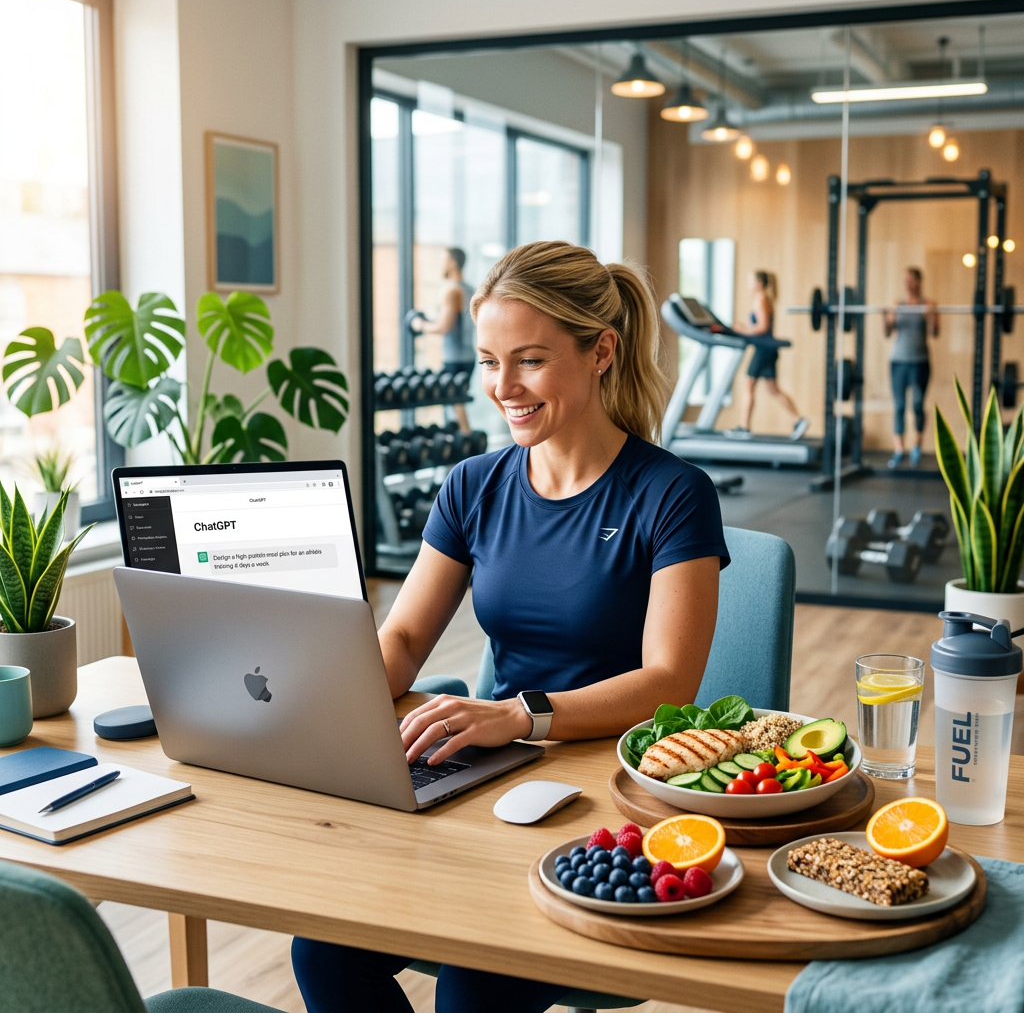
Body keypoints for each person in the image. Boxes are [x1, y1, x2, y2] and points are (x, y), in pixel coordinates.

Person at [291, 240, 731, 1013]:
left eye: (528, 361)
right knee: (323, 948)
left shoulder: (672, 494)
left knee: (472, 984)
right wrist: (311, 700)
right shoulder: (474, 484)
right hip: (491, 777)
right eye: (490, 362)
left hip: (608, 794)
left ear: (601, 351)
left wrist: (519, 716)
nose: (504, 388)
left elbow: (671, 683)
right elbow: (400, 643)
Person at [727, 271, 809, 441]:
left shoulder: (762, 299)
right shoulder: (763, 298)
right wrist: (746, 327)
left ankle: (744, 428)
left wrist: (742, 330)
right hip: (767, 349)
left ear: (758, 283)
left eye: (750, 280)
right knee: (773, 389)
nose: (748, 283)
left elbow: (763, 327)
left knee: (748, 385)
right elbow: (759, 326)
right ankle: (798, 420)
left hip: (763, 349)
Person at [411, 247, 476, 432]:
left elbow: (443, 326)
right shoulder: (472, 289)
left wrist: (420, 325)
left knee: (455, 403)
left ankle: (466, 446)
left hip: (454, 358)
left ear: (453, 263)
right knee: (456, 402)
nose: (442, 263)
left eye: (445, 259)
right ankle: (463, 444)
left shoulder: (452, 291)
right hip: (468, 356)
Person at [883, 266, 939, 469]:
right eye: (905, 279)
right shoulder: (896, 304)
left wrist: (930, 315)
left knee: (917, 404)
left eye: (911, 279)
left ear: (918, 282)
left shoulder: (928, 304)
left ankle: (916, 446)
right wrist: (884, 316)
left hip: (919, 362)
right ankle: (899, 450)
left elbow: (935, 332)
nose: (907, 283)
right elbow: (887, 332)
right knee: (899, 406)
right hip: (898, 361)